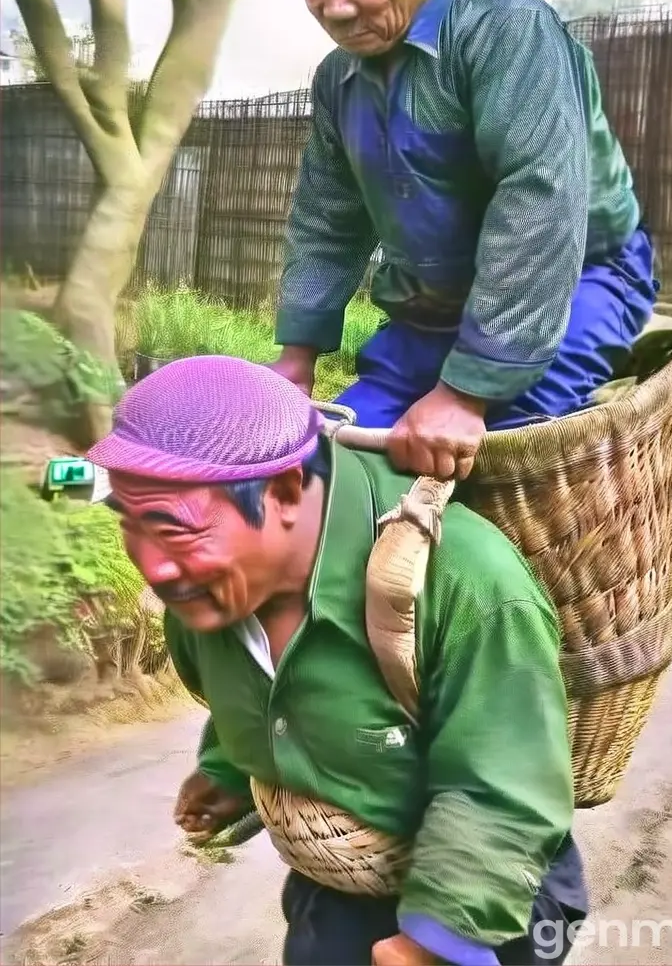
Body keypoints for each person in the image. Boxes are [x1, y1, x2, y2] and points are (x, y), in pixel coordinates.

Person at [88, 355, 589, 966]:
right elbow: (258, 695)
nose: (153, 565)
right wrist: (226, 774)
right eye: (131, 525)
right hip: (340, 885)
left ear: (283, 491)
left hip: (493, 893)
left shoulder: (465, 584)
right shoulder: (202, 600)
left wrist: (436, 942)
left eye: (174, 530)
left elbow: (505, 786)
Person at [268, 0, 658, 481]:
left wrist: (465, 394)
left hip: (580, 276)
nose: (333, 6)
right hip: (433, 306)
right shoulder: (336, 80)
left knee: (494, 462)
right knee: (335, 457)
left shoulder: (506, 28)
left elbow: (539, 198)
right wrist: (295, 360)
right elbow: (328, 217)